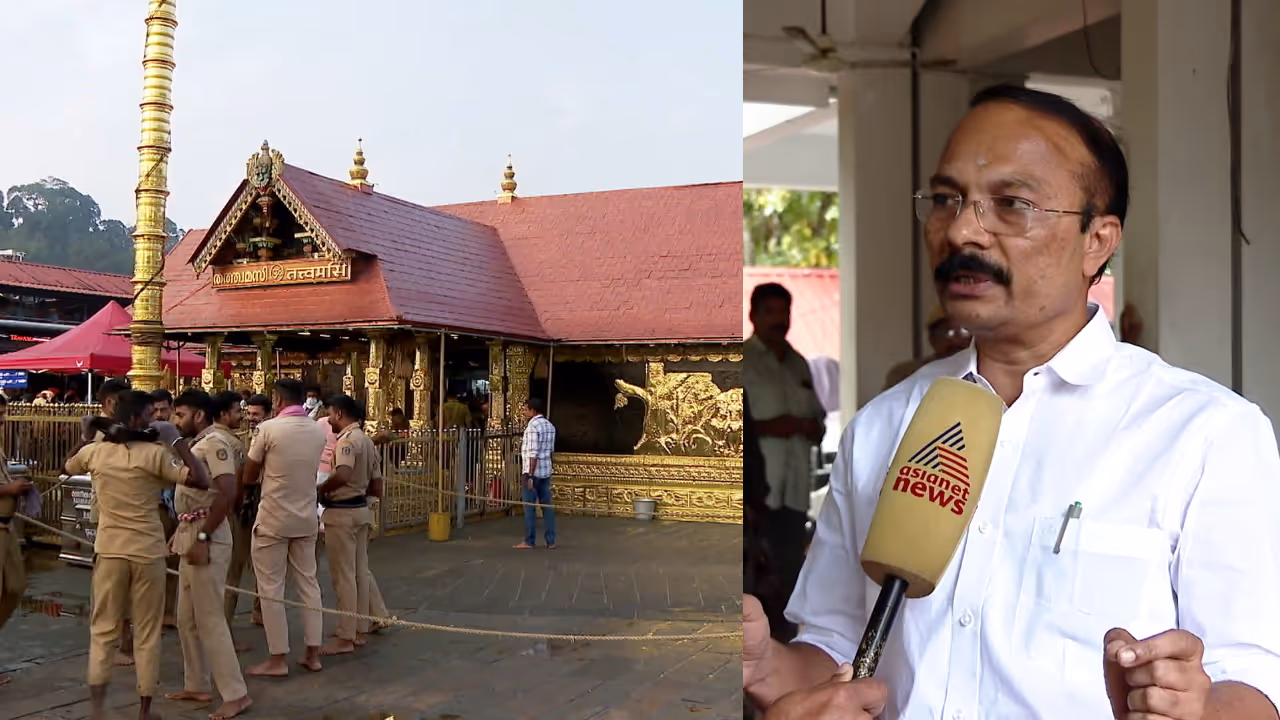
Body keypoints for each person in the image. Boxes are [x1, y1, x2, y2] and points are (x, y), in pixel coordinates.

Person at [744, 85, 1280, 719]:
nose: (963, 230)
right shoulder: (884, 424)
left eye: (1012, 204)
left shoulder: (1205, 434)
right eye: (946, 200)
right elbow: (835, 650)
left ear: (1097, 240)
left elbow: (1249, 688)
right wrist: (767, 664)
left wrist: (1197, 709)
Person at [65, 390, 212, 720]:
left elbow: (67, 465)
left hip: (110, 551)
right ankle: (145, 709)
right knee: (147, 632)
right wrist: (177, 443)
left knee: (103, 629)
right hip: (147, 552)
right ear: (134, 419)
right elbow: (202, 480)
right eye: (149, 415)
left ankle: (98, 709)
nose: (155, 420)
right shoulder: (156, 454)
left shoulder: (95, 453)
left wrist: (86, 435)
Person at [164, 390, 252, 719]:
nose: (176, 420)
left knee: (210, 618)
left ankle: (235, 693)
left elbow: (227, 491)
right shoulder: (196, 444)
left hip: (208, 534)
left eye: (180, 414)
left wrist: (202, 535)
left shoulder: (213, 443)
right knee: (186, 617)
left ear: (199, 415)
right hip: (192, 530)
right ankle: (196, 682)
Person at [744, 282, 825, 620]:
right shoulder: (742, 361)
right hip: (756, 490)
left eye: (784, 313)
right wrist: (779, 424)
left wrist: (809, 426)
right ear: (753, 316)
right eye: (770, 313)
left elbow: (818, 422)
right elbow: (737, 429)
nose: (779, 320)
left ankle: (790, 647)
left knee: (790, 570)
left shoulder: (800, 364)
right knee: (752, 575)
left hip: (794, 490)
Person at [241, 379, 327, 677]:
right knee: (309, 585)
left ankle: (278, 658)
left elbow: (249, 474)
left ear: (277, 400)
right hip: (306, 515)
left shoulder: (269, 429)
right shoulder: (317, 431)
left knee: (271, 588)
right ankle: (313, 653)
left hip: (274, 517)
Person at [317, 394, 381, 655]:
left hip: (342, 513)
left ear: (340, 414)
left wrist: (321, 489)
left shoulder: (347, 442)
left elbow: (342, 474)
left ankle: (346, 635)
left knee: (343, 576)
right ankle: (357, 628)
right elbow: (377, 483)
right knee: (359, 572)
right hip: (360, 510)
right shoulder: (366, 440)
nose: (329, 419)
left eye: (331, 414)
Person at [226, 393, 270, 628]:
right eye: (249, 414)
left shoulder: (271, 439)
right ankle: (226, 621)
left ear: (268, 415)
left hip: (264, 505)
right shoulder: (240, 439)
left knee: (263, 566)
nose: (251, 419)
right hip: (243, 507)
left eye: (256, 415)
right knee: (235, 564)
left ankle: (260, 611)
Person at [0, 395, 34, 688]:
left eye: (3, 414)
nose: (2, 420)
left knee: (13, 588)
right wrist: (8, 488)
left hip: (6, 530)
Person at [881, 306, 972, 391]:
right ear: (931, 338)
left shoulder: (982, 372)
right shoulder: (905, 374)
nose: (955, 340)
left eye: (964, 332)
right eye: (945, 332)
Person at [513, 397, 556, 549]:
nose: (524, 412)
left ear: (533, 411)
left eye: (526, 409)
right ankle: (551, 540)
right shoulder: (550, 426)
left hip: (533, 472)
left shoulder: (532, 427)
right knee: (547, 507)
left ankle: (529, 540)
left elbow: (533, 453)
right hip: (545, 471)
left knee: (529, 507)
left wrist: (530, 475)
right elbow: (550, 451)